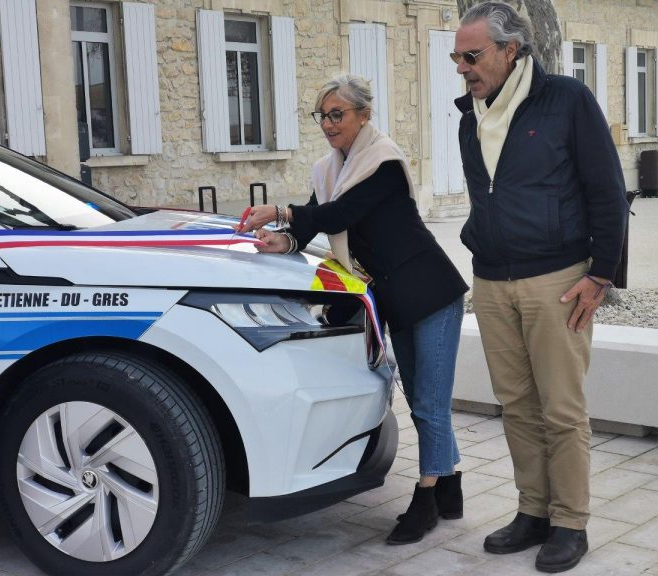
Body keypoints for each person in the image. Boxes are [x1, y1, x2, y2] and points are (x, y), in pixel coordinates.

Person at [238, 74, 469, 545]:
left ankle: (427, 498)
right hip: (397, 300)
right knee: (421, 400)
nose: (328, 124)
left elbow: (340, 215)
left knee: (429, 402)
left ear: (363, 115)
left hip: (432, 293)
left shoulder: (382, 163)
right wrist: (285, 240)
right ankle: (451, 488)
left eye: (337, 114)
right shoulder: (330, 170)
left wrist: (280, 212)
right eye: (322, 116)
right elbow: (314, 219)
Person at [452, 3, 628, 573]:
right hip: (491, 279)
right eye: (457, 58)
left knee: (562, 408)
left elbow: (607, 190)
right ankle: (533, 511)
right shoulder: (470, 116)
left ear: (510, 49)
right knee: (516, 406)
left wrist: (601, 274)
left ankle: (570, 521)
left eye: (471, 56)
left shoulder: (567, 100)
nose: (462, 68)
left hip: (558, 281)